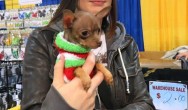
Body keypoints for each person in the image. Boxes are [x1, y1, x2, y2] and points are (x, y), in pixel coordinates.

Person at [21, 0, 155, 110]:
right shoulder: (43, 40)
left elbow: (145, 104)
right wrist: (61, 105)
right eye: (85, 33)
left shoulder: (125, 43)